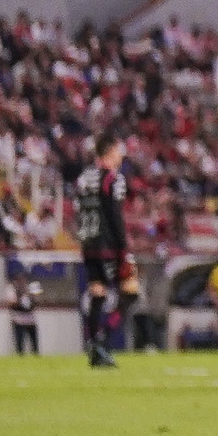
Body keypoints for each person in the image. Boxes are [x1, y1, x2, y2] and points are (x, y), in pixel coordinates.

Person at [73, 134, 135, 369]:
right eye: (119, 151)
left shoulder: (83, 178)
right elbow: (114, 215)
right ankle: (102, 340)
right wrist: (124, 250)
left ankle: (93, 349)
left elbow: (79, 211)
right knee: (131, 292)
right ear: (109, 152)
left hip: (88, 244)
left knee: (97, 294)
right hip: (108, 245)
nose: (122, 156)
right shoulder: (112, 178)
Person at [6, 253, 42, 356]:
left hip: (31, 319)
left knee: (34, 345)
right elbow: (11, 303)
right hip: (18, 319)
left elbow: (36, 301)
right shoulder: (12, 288)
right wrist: (21, 297)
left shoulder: (31, 286)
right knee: (20, 345)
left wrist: (31, 296)